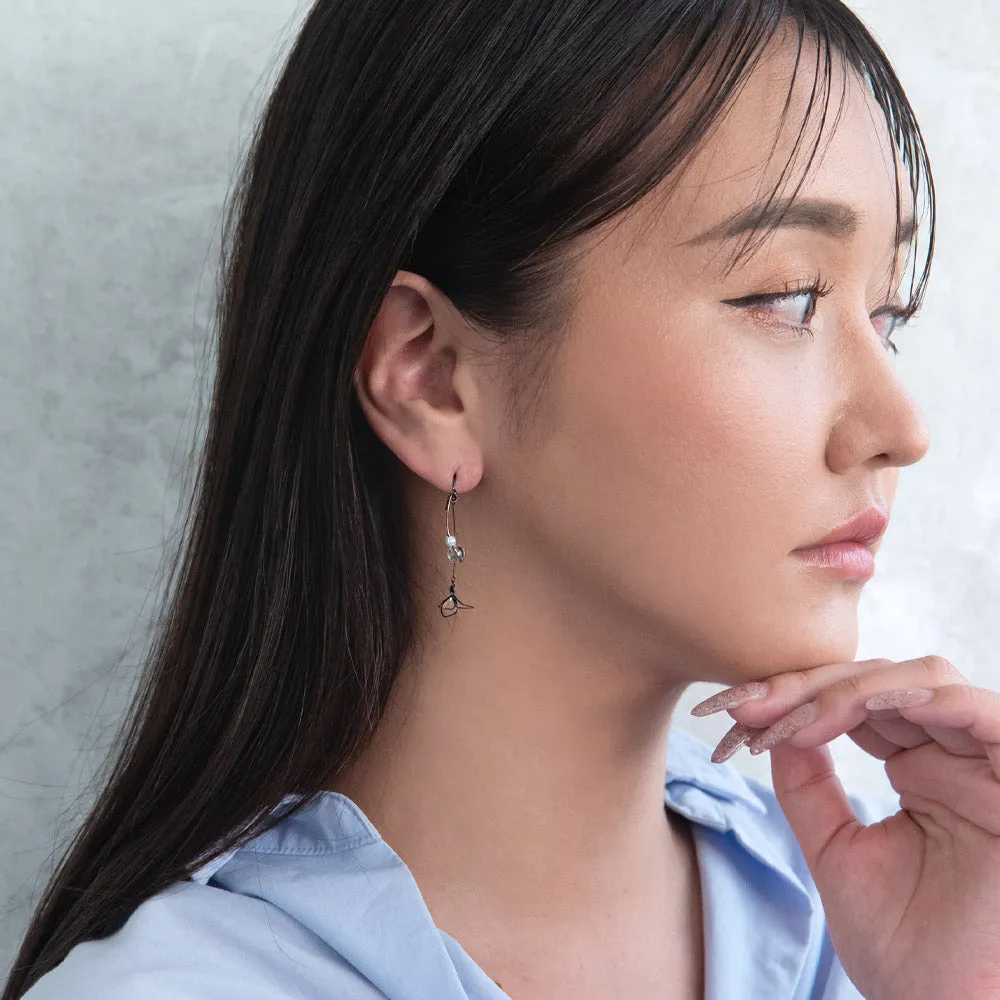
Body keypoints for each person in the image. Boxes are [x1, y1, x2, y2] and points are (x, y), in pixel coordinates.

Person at [12, 1, 1000, 998]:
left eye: (886, 314)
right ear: (432, 375)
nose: (900, 427)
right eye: (786, 296)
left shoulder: (862, 927)